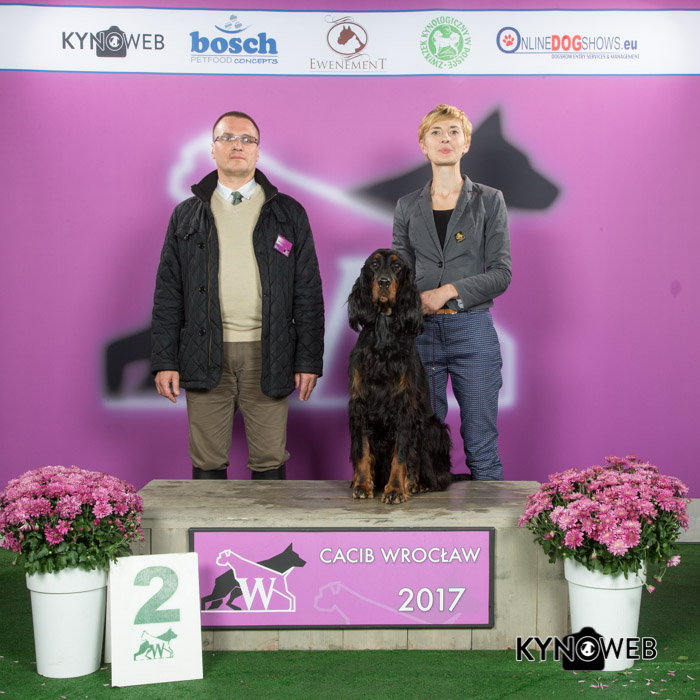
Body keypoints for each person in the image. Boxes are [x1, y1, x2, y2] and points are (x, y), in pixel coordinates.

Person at [151, 110, 324, 480]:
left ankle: (269, 522)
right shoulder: (186, 215)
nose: (237, 145)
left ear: (258, 152)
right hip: (203, 350)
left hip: (269, 351)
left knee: (270, 458)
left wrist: (309, 359)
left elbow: (308, 290)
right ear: (212, 149)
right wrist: (165, 360)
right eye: (227, 137)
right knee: (206, 460)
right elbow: (168, 293)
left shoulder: (288, 213)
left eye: (247, 139)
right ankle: (209, 521)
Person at [392, 104, 511, 481]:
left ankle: (491, 519)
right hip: (418, 333)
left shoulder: (489, 200)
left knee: (481, 445)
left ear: (466, 144)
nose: (445, 139)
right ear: (423, 145)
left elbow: (502, 273)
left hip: (472, 331)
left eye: (453, 132)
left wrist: (447, 291)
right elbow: (399, 271)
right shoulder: (406, 206)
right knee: (419, 443)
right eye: (436, 132)